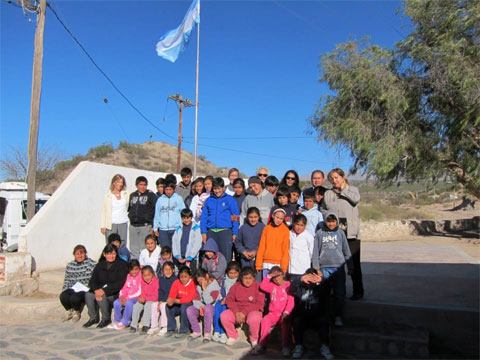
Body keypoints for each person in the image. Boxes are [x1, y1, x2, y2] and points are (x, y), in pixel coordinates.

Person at [321, 168, 363, 300]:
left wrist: (343, 190)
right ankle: (337, 291)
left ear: (343, 177)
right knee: (336, 263)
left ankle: (358, 291)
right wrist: (328, 218)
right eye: (332, 179)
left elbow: (356, 200)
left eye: (336, 177)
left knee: (353, 263)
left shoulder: (353, 190)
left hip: (351, 234)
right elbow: (323, 208)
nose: (334, 181)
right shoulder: (328, 194)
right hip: (335, 233)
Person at [313, 211, 353, 327]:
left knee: (339, 293)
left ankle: (338, 316)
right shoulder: (320, 234)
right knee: (324, 293)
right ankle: (324, 317)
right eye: (329, 221)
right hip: (324, 268)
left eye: (333, 221)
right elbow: (315, 252)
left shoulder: (340, 233)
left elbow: (346, 251)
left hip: (338, 268)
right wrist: (316, 268)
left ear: (337, 222)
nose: (331, 224)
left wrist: (350, 266)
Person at [289, 269, 333, 360]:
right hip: (304, 316)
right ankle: (298, 346)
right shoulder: (301, 287)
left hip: (317, 316)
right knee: (297, 321)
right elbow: (292, 287)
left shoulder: (321, 287)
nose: (310, 281)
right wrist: (300, 279)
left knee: (324, 321)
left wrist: (321, 280)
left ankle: (325, 347)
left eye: (312, 278)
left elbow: (328, 287)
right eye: (309, 278)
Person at [84, 244, 128, 328]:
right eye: (108, 254)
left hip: (114, 293)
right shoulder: (100, 265)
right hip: (100, 289)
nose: (111, 256)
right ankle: (93, 318)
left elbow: (120, 283)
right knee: (88, 295)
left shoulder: (122, 265)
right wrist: (96, 290)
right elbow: (92, 281)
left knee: (102, 295)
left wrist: (104, 291)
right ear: (104, 254)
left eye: (113, 254)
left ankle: (106, 318)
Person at [253, 266, 294, 356]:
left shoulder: (288, 285)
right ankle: (262, 344)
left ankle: (285, 346)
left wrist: (286, 312)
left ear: (282, 275)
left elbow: (291, 301)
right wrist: (269, 276)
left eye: (278, 276)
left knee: (286, 325)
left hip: (284, 314)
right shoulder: (272, 286)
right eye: (274, 277)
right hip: (273, 314)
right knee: (265, 320)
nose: (276, 279)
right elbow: (262, 286)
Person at [220, 267, 265, 347]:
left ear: (254, 278)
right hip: (238, 311)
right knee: (224, 315)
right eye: (245, 278)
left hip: (252, 311)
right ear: (241, 278)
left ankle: (254, 338)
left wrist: (244, 312)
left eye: (250, 278)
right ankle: (232, 335)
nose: (247, 281)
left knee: (254, 318)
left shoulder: (258, 287)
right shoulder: (236, 286)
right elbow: (230, 300)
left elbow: (259, 304)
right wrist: (237, 312)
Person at [200, 177, 239, 263]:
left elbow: (236, 217)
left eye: (219, 188)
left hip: (225, 231)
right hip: (211, 232)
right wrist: (203, 232)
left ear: (223, 188)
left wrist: (235, 232)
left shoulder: (230, 199)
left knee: (225, 256)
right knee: (210, 256)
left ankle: (225, 275)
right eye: (215, 189)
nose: (217, 191)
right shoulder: (209, 200)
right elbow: (204, 217)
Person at [60, 245, 97, 323]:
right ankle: (69, 310)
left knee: (74, 298)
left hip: (85, 288)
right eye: (77, 254)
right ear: (74, 255)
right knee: (63, 296)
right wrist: (65, 289)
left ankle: (77, 311)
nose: (80, 256)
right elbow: (67, 279)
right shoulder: (70, 265)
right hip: (74, 287)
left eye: (82, 253)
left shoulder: (90, 264)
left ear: (85, 254)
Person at [187, 268, 221, 342]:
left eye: (202, 280)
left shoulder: (215, 286)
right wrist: (200, 307)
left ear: (207, 276)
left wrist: (204, 289)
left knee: (208, 308)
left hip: (211, 307)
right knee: (189, 309)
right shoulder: (198, 287)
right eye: (199, 281)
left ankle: (207, 333)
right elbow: (195, 300)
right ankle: (196, 331)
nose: (200, 283)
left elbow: (209, 301)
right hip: (201, 307)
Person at [255, 208, 290, 278]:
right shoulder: (267, 229)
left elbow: (285, 249)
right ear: (273, 216)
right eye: (277, 217)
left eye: (281, 218)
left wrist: (284, 267)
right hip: (266, 263)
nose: (279, 220)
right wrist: (258, 264)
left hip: (278, 263)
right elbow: (262, 246)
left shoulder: (285, 230)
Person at [128, 176, 157, 259]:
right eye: (141, 184)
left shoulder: (151, 195)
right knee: (134, 249)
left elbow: (155, 210)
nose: (143, 187)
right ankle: (135, 267)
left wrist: (152, 226)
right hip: (133, 226)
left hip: (145, 225)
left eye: (145, 185)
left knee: (145, 248)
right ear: (137, 185)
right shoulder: (132, 195)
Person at [212, 261, 240, 344]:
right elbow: (222, 291)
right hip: (223, 299)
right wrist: (222, 299)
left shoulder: (239, 281)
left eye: (235, 273)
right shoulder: (224, 280)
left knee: (224, 309)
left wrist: (227, 300)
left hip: (232, 302)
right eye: (230, 273)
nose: (232, 275)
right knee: (217, 307)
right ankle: (217, 330)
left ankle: (223, 331)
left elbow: (237, 294)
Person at [109, 259, 141, 330]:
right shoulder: (128, 276)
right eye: (132, 270)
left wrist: (128, 298)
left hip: (135, 297)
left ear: (139, 268)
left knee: (129, 303)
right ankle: (117, 320)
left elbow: (139, 291)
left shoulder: (140, 276)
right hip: (126, 297)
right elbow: (123, 287)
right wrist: (122, 296)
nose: (134, 272)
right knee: (116, 302)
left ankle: (126, 321)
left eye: (136, 269)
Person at [165, 266, 196, 338]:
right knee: (168, 307)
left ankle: (185, 330)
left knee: (184, 306)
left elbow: (189, 299)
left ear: (190, 276)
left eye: (185, 277)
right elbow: (172, 295)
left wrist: (175, 300)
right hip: (179, 304)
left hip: (189, 304)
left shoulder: (193, 283)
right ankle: (172, 328)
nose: (183, 279)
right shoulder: (176, 282)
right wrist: (170, 301)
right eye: (181, 277)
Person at [148, 261, 177, 336]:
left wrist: (163, 301)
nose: (168, 272)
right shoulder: (161, 279)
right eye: (165, 270)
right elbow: (160, 291)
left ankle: (165, 326)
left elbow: (173, 294)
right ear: (162, 271)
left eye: (169, 269)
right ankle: (154, 326)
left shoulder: (175, 280)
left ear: (173, 270)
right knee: (154, 305)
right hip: (163, 299)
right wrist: (160, 300)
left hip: (171, 300)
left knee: (163, 305)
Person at [154, 182, 185, 248]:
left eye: (170, 189)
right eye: (166, 190)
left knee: (175, 249)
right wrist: (155, 227)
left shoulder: (178, 199)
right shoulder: (160, 200)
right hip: (163, 229)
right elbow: (157, 214)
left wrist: (181, 225)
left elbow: (183, 212)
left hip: (175, 228)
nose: (168, 192)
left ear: (173, 190)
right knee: (165, 250)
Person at [130, 265, 159, 334]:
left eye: (149, 275)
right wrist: (141, 298)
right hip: (145, 299)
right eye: (145, 276)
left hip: (153, 300)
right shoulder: (142, 282)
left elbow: (156, 296)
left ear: (152, 274)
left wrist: (145, 299)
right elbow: (142, 293)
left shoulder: (156, 282)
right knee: (137, 305)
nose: (147, 277)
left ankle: (146, 325)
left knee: (148, 305)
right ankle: (133, 324)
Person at [101, 174, 129, 246]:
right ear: (114, 183)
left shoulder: (126, 194)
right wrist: (103, 226)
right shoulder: (108, 196)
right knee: (110, 244)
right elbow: (104, 211)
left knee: (122, 243)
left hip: (123, 222)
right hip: (111, 223)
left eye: (121, 182)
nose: (120, 184)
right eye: (118, 182)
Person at [172, 208, 202, 272]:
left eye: (188, 218)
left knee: (193, 275)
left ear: (191, 217)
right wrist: (177, 256)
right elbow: (174, 242)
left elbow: (197, 243)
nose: (186, 220)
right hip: (181, 258)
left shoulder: (196, 228)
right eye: (184, 218)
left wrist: (190, 256)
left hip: (192, 259)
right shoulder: (179, 228)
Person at [288, 214, 314, 282]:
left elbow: (311, 253)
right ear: (293, 223)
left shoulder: (309, 236)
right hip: (291, 268)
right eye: (297, 224)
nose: (299, 227)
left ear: (305, 226)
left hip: (303, 268)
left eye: (301, 225)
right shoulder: (289, 234)